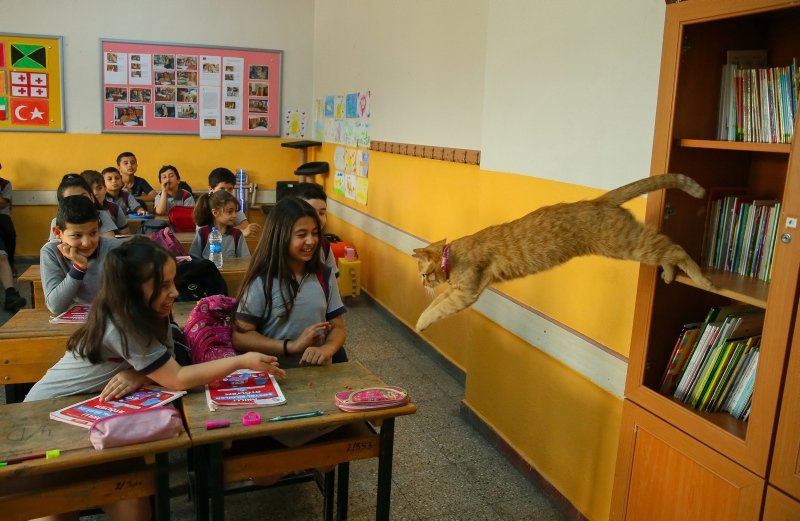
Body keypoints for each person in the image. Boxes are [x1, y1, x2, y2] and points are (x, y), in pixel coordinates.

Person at [25, 237, 285, 521]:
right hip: (48, 417)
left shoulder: (150, 312)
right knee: (56, 509)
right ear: (131, 289)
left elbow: (167, 364)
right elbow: (177, 377)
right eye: (163, 286)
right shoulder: (122, 322)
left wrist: (140, 373)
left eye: (173, 281)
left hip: (95, 416)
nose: (175, 292)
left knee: (133, 504)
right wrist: (241, 361)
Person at [233, 197, 347, 367]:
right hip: (275, 377)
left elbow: (337, 327)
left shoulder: (325, 274)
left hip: (320, 376)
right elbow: (240, 337)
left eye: (315, 233)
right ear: (280, 236)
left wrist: (328, 349)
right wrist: (291, 346)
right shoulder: (262, 279)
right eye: (302, 235)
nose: (311, 241)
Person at [42, 195, 122, 315]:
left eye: (93, 233)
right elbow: (55, 306)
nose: (86, 243)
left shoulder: (114, 248)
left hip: (111, 319)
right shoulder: (50, 252)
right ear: (58, 232)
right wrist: (79, 267)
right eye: (77, 235)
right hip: (71, 324)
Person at [48, 173, 117, 240]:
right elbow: (52, 247)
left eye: (83, 196)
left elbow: (110, 245)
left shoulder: (101, 215)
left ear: (92, 198)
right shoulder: (57, 221)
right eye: (71, 199)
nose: (79, 201)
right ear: (62, 204)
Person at [291, 182, 339, 278]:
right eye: (311, 213)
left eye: (321, 213)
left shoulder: (324, 246)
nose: (319, 220)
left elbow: (334, 281)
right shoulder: (277, 247)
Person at [189, 190, 250, 260]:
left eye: (235, 211)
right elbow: (193, 259)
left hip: (231, 271)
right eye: (230, 211)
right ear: (215, 212)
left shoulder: (237, 234)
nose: (234, 215)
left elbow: (246, 260)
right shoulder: (203, 233)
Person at [207, 167, 261, 237]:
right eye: (222, 189)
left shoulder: (233, 206)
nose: (227, 192)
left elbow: (244, 225)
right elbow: (206, 232)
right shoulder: (204, 207)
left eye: (230, 189)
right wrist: (238, 232)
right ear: (211, 189)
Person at [82, 169, 130, 235]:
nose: (95, 193)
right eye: (90, 189)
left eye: (99, 188)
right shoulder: (78, 211)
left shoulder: (115, 208)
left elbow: (125, 234)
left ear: (105, 189)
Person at [0, 161, 18, 276]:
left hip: (2, 214)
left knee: (9, 233)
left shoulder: (5, 184)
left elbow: (2, 204)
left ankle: (10, 262)